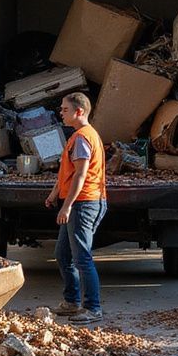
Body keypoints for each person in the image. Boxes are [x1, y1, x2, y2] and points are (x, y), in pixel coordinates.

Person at [45, 91, 108, 325]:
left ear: (79, 112)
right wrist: (54, 195)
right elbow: (68, 174)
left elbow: (81, 175)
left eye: (64, 110)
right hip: (81, 202)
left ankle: (92, 308)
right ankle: (71, 302)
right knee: (63, 255)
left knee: (82, 258)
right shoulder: (79, 136)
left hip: (84, 203)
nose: (60, 113)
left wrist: (67, 206)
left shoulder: (82, 137)